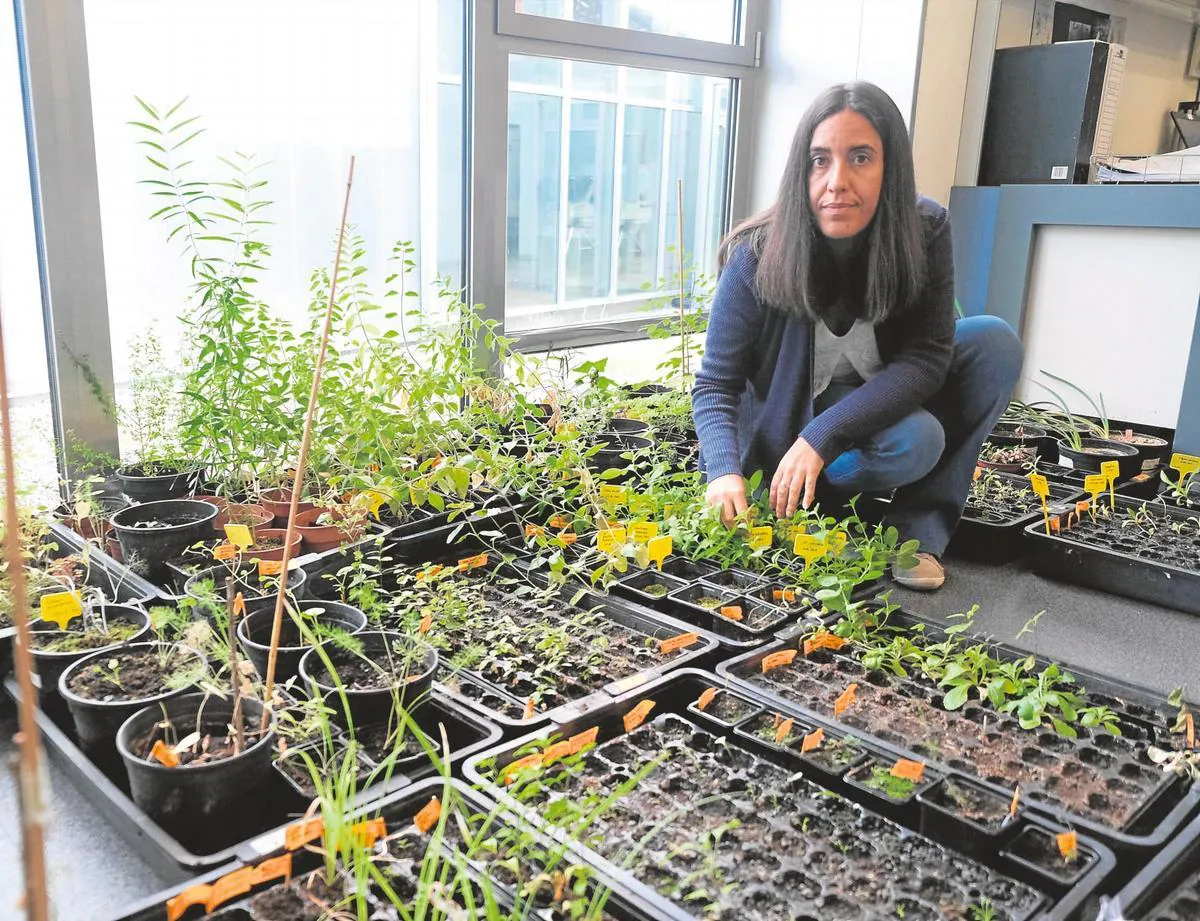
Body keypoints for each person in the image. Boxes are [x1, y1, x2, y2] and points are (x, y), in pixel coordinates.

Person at [691, 82, 1024, 591]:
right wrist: (723, 472)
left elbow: (926, 358)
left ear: (891, 168)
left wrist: (822, 436)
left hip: (869, 397)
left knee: (992, 343)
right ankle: (805, 500)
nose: (836, 181)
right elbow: (716, 385)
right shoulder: (758, 253)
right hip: (789, 417)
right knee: (917, 440)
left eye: (861, 157)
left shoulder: (924, 230)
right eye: (819, 160)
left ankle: (916, 534)